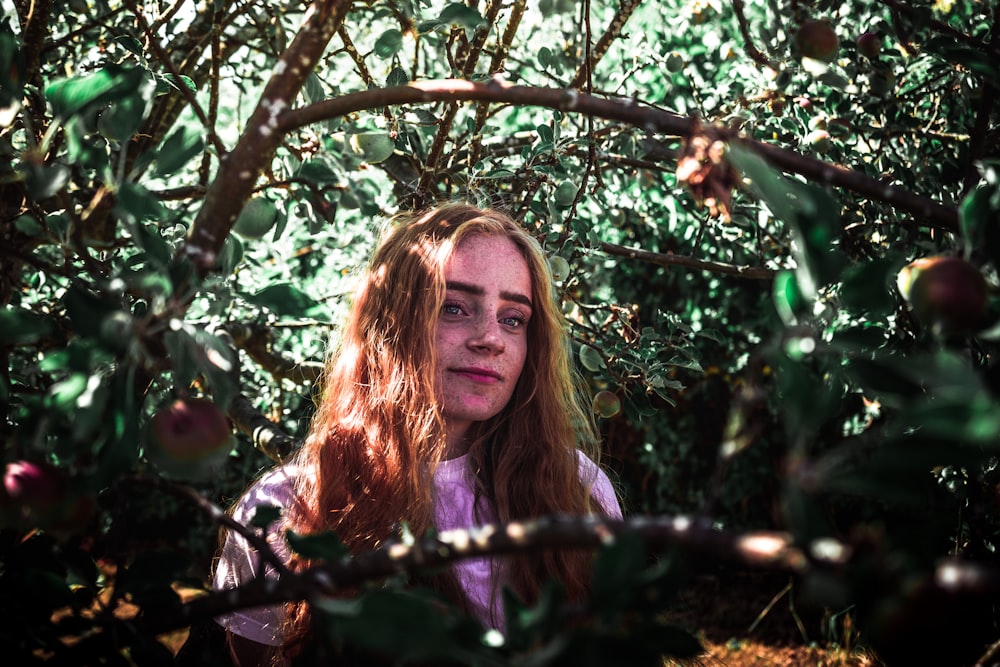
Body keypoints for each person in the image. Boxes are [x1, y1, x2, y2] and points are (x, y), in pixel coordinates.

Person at [212, 202, 623, 666]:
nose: (491, 337)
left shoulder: (577, 488)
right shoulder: (289, 505)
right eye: (453, 307)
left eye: (513, 318)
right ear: (392, 324)